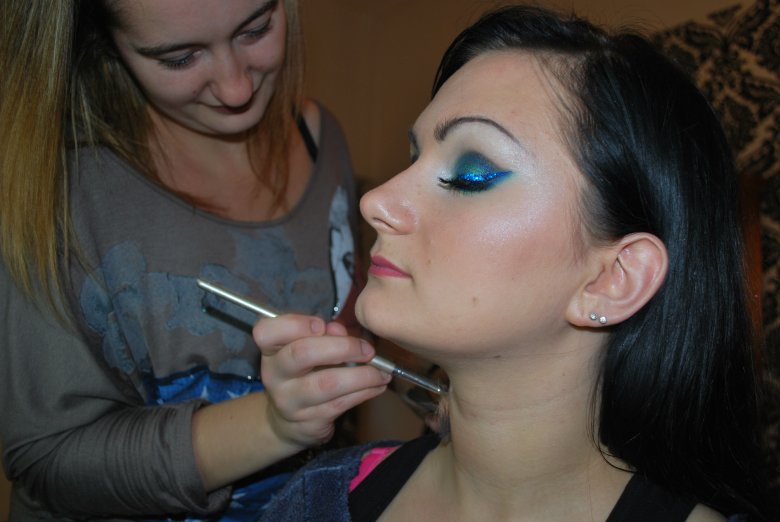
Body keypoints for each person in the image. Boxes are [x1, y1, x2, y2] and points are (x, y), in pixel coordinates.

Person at [254, 4, 776, 521]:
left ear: (612, 278)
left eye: (471, 172)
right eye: (414, 158)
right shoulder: (319, 500)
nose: (376, 201)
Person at [0, 0, 391, 519]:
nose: (236, 89)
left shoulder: (321, 139)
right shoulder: (57, 193)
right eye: (179, 58)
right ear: (104, 42)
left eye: (256, 29)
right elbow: (48, 461)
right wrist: (273, 425)